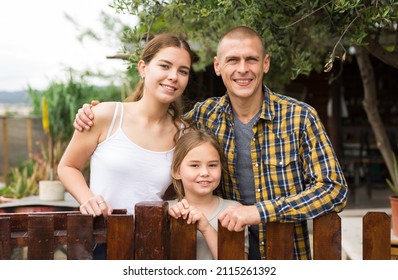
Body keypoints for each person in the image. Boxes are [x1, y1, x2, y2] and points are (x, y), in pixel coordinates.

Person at [73, 26, 348, 260]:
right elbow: (151, 123)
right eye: (232, 60)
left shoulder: (299, 117)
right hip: (222, 255)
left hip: (284, 255)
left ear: (265, 64)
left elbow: (335, 190)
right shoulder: (203, 117)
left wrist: (259, 212)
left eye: (251, 59)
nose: (242, 69)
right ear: (218, 66)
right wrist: (95, 114)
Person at [58, 33, 193, 217]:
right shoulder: (105, 115)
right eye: (164, 66)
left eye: (183, 71)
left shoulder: (185, 135)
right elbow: (68, 166)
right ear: (143, 68)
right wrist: (87, 198)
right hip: (102, 237)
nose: (173, 76)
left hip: (155, 238)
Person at [168, 129, 249, 260]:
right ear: (177, 171)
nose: (205, 172)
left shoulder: (233, 211)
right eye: (195, 165)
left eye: (212, 165)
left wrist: (206, 228)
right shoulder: (167, 211)